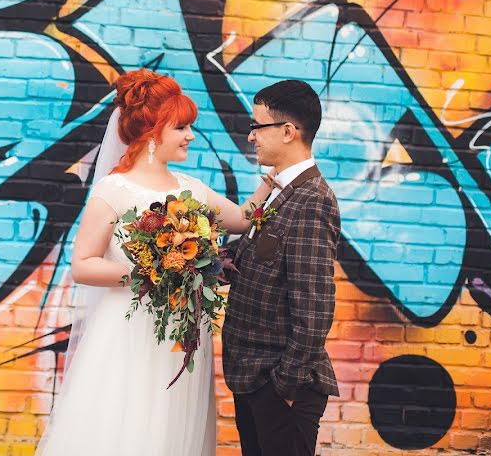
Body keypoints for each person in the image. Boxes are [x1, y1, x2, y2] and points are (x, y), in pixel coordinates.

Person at [36, 69, 275, 455]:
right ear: (152, 132)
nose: (190, 136)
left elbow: (244, 219)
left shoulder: (190, 188)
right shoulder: (113, 190)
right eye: (181, 127)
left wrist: (272, 179)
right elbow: (83, 264)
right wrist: (148, 271)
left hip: (180, 335)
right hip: (130, 334)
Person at [222, 80, 341, 456]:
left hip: (279, 386)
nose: (252, 136)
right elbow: (254, 264)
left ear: (288, 132)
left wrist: (284, 386)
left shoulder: (311, 200)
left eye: (258, 126)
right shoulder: (280, 191)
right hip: (255, 377)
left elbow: (315, 306)